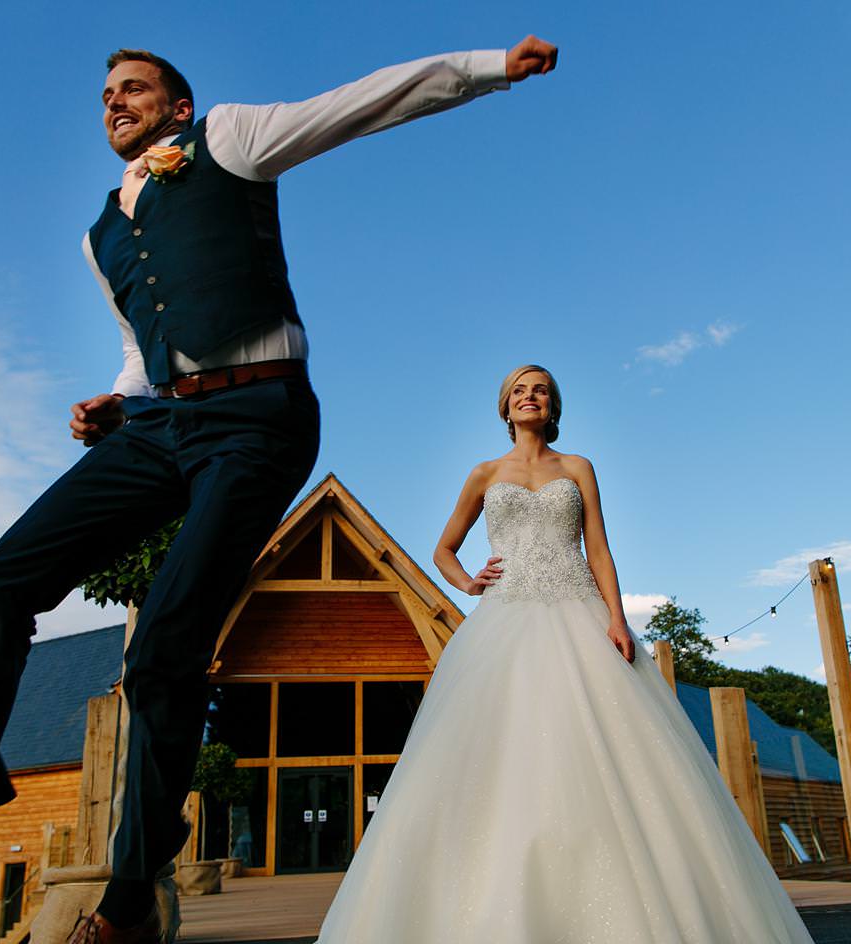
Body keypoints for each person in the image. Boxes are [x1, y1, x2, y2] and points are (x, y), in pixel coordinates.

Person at [0, 37, 559, 944]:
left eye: (135, 88)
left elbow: (367, 101)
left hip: (260, 415)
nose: (116, 100)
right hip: (159, 427)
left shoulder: (231, 138)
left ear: (177, 107)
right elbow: (139, 356)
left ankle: (128, 901)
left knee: (165, 644)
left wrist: (491, 66)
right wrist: (114, 404)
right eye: (106, 93)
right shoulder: (99, 235)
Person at [313, 365, 816, 943]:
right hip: (505, 618)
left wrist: (618, 619)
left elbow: (598, 547)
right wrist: (469, 583)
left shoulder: (577, 468)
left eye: (541, 390)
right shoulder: (484, 473)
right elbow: (443, 549)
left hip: (579, 611)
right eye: (519, 391)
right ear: (506, 409)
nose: (530, 397)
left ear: (552, 407)